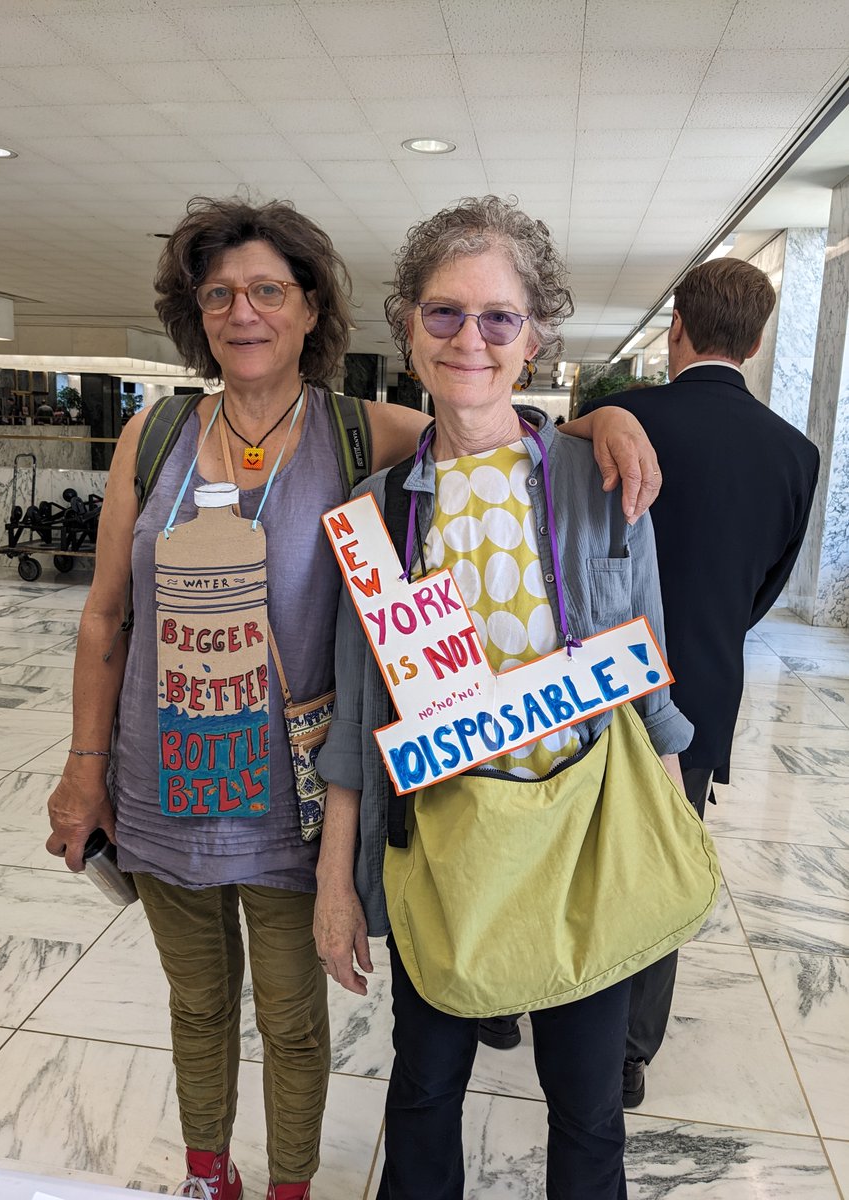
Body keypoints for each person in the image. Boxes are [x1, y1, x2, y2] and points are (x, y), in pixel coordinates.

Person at [44, 194, 660, 1200]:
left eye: (268, 291)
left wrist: (605, 416)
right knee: (198, 1004)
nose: (243, 312)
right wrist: (82, 770)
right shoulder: (152, 436)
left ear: (310, 307)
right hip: (162, 785)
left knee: (298, 1018)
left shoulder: (359, 434)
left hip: (290, 798)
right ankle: (210, 1175)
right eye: (219, 294)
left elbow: (489, 430)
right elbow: (105, 619)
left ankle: (289, 1183)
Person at [314, 195, 695, 1200]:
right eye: (443, 314)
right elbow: (358, 720)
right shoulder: (373, 520)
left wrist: (667, 841)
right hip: (443, 851)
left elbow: (648, 677)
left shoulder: (602, 482)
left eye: (498, 318)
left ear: (535, 336)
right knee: (425, 1092)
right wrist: (335, 883)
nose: (470, 340)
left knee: (587, 1111)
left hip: (583, 843)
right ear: (407, 328)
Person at [581, 257, 820, 1109]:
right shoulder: (795, 454)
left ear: (676, 327)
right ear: (757, 344)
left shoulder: (614, 420)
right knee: (659, 864)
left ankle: (518, 1002)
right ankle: (629, 1052)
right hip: (700, 691)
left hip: (589, 682)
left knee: (558, 843)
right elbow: (768, 584)